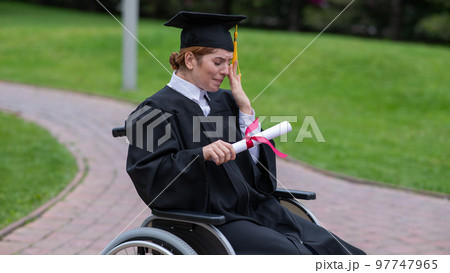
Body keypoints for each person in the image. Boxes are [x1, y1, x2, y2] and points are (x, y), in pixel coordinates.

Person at [126, 11, 365, 255]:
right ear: (189, 60)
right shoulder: (154, 111)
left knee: (343, 253)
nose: (225, 71)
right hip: (211, 220)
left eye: (228, 63)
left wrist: (245, 110)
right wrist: (201, 154)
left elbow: (254, 172)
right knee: (297, 257)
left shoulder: (226, 102)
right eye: (217, 62)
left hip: (256, 208)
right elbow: (150, 177)